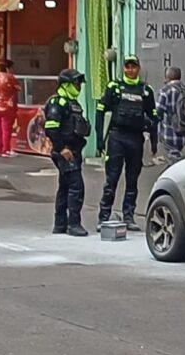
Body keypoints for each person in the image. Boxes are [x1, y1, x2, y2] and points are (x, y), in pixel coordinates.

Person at [96, 56, 158, 231]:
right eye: (127, 66)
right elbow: (100, 111)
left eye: (134, 66)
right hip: (117, 137)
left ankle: (129, 216)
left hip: (136, 139)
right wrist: (100, 139)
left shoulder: (146, 90)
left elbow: (154, 118)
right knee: (111, 180)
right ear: (123, 68)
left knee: (132, 181)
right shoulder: (114, 87)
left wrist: (154, 143)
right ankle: (104, 217)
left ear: (139, 68)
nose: (130, 70)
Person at [42, 68, 91, 237]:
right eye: (75, 83)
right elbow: (51, 128)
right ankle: (73, 224)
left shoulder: (73, 103)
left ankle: (60, 224)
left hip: (73, 150)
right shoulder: (58, 103)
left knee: (65, 187)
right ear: (66, 84)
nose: (78, 87)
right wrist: (61, 148)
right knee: (76, 186)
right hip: (65, 152)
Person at [156, 66, 185, 163]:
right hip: (184, 131)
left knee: (173, 159)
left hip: (169, 132)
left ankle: (177, 175)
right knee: (176, 155)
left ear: (167, 77)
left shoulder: (165, 91)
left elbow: (158, 112)